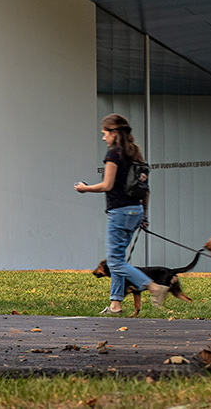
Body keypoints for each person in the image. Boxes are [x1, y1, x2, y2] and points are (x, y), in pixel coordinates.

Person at [74, 113, 155, 315]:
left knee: (114, 262)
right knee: (118, 259)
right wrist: (143, 216)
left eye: (105, 133)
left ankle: (152, 286)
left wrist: (85, 188)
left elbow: (107, 185)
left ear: (114, 133)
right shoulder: (135, 155)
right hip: (135, 211)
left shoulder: (114, 155)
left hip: (119, 212)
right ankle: (115, 305)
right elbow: (145, 190)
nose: (103, 138)